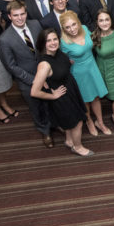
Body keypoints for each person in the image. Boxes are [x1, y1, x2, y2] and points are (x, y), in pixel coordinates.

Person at [0, 1, 53, 148]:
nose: (20, 18)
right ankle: (44, 130)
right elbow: (11, 66)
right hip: (27, 80)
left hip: (45, 71)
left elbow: (44, 47)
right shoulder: (4, 39)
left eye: (22, 14)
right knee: (36, 107)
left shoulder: (35, 24)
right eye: (16, 15)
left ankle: (53, 123)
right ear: (9, 16)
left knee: (51, 101)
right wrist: (35, 80)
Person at [30, 28, 93, 156]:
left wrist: (67, 63)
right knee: (77, 123)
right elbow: (34, 92)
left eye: (55, 39)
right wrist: (52, 96)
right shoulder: (44, 65)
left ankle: (69, 140)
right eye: (49, 41)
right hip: (61, 97)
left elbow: (58, 68)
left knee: (69, 121)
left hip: (70, 90)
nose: (53, 43)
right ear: (43, 44)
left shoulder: (58, 53)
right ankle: (78, 147)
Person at [59, 11, 111, 136]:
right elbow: (62, 60)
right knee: (86, 100)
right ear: (63, 29)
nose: (72, 29)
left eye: (73, 24)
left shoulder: (84, 28)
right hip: (79, 73)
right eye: (67, 27)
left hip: (92, 68)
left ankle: (100, 122)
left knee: (96, 97)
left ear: (78, 22)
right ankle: (89, 122)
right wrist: (68, 62)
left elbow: (93, 41)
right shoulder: (64, 42)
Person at [91, 9, 114, 129]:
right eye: (101, 20)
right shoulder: (94, 36)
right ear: (97, 22)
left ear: (111, 20)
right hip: (107, 70)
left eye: (107, 19)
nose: (104, 23)